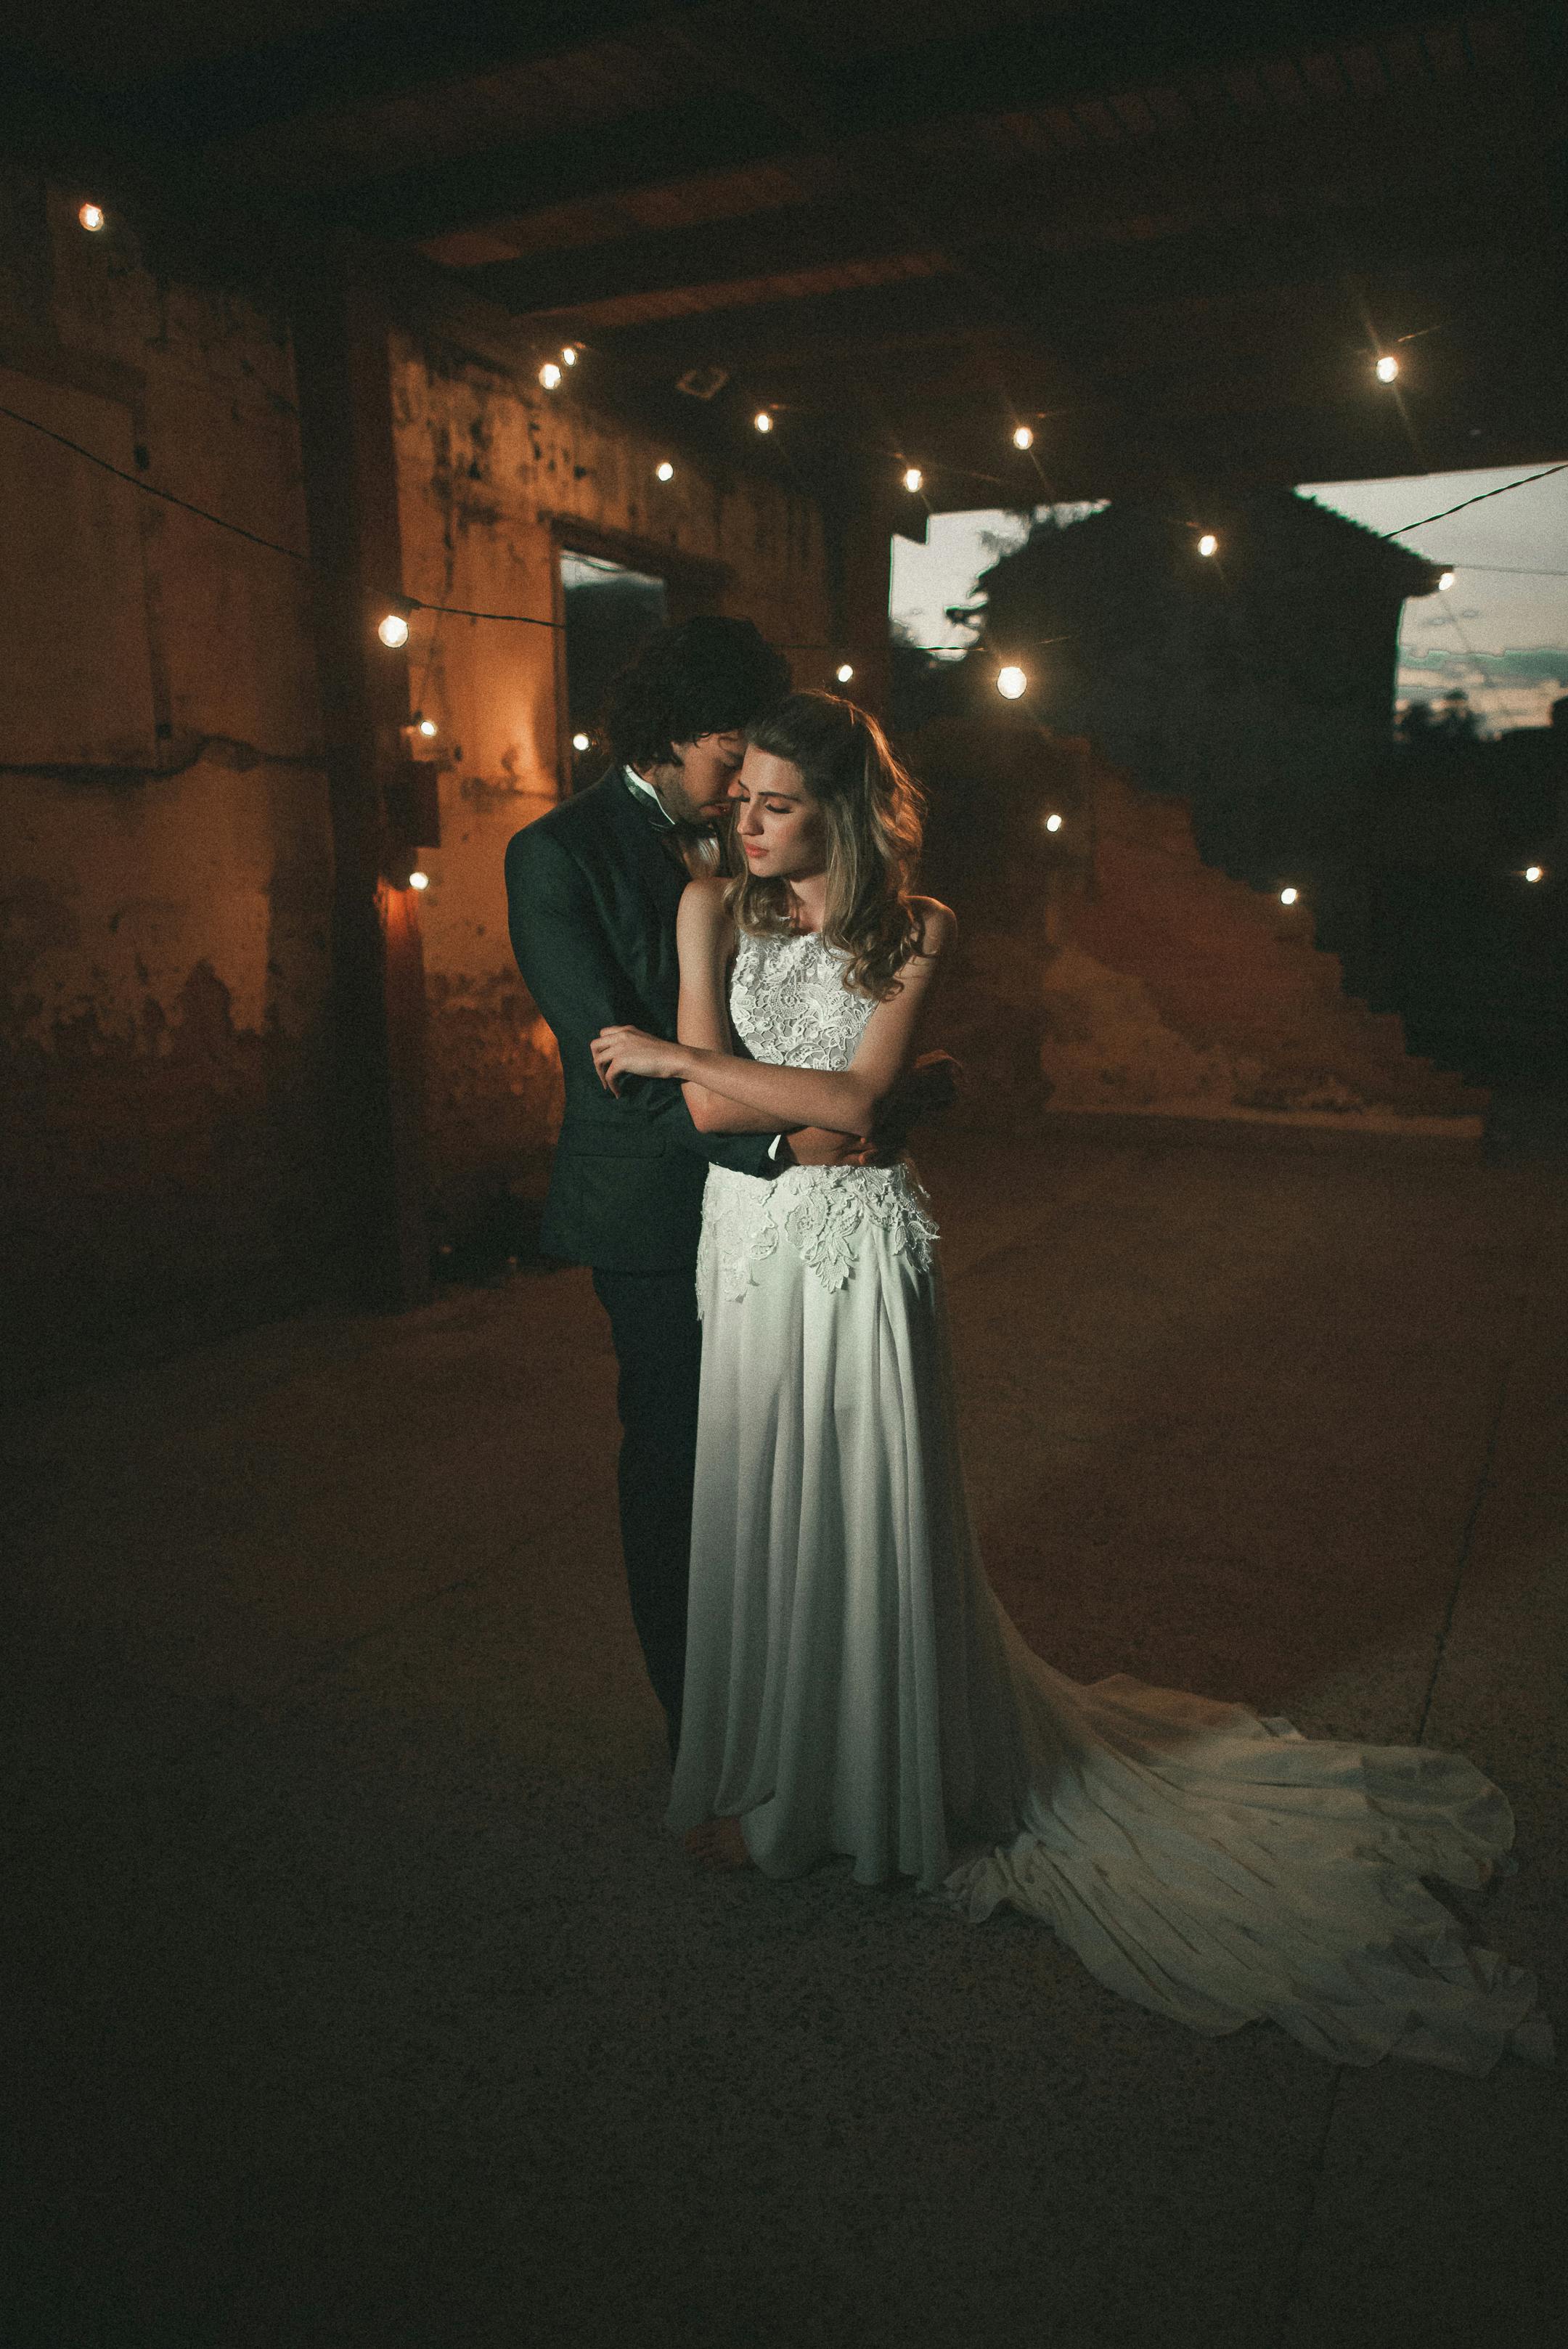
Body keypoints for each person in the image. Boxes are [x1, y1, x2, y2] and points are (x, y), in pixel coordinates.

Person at [589, 690, 1552, 2075]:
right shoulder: (702, 911)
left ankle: (882, 1782)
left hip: (864, 1247)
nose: (740, 820)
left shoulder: (920, 928)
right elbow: (709, 1121)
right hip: (743, 1245)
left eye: (774, 803)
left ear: (843, 813)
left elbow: (853, 1106)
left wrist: (696, 1055)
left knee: (865, 1505)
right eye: (737, 797)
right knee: (757, 1492)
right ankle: (771, 1778)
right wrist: (735, 1080)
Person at [505, 621, 950, 1768]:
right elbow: (613, 1057)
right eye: (729, 760)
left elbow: (840, 1023)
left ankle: (809, 1710)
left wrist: (879, 1096)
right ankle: (695, 1726)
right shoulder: (559, 852)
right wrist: (792, 1143)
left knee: (785, 1470)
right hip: (659, 1207)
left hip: (788, 1204)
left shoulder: (761, 851)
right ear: (674, 738)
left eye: (765, 779)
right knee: (676, 1470)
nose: (741, 795)